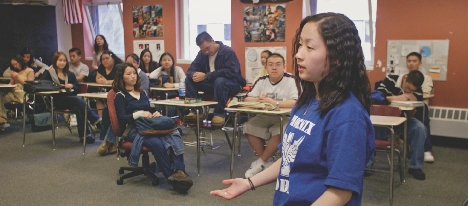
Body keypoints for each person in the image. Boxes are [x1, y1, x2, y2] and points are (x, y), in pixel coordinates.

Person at [210, 13, 375, 205]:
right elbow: (290, 158)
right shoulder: (306, 101)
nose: (298, 54)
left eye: (310, 47)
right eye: (300, 45)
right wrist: (249, 183)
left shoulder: (347, 116)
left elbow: (340, 192)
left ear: (337, 57)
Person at [112, 63, 193, 193]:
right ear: (122, 78)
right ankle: (172, 177)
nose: (133, 76)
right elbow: (122, 118)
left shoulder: (142, 92)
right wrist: (139, 114)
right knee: (156, 142)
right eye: (128, 74)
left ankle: (179, 170)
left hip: (149, 125)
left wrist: (156, 113)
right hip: (133, 129)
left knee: (174, 133)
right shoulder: (120, 96)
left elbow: (148, 109)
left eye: (134, 73)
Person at [243, 53, 298, 178]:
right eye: (271, 65)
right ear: (266, 67)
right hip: (265, 116)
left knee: (282, 130)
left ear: (284, 66)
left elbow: (295, 102)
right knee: (248, 126)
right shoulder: (262, 80)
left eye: (278, 65)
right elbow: (247, 99)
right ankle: (266, 163)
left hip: (286, 116)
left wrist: (275, 103)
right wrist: (259, 99)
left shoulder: (291, 80)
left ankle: (260, 162)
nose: (274, 68)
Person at [184, 31, 246, 126]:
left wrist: (206, 76)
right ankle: (196, 111)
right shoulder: (202, 54)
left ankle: (219, 114)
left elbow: (230, 72)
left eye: (207, 48)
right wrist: (194, 75)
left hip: (233, 83)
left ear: (213, 41)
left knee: (220, 81)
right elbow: (191, 70)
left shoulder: (228, 52)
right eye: (203, 50)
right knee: (189, 80)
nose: (206, 52)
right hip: (213, 84)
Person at [377, 70, 428, 180]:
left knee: (420, 128)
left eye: (411, 90)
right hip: (385, 118)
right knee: (371, 127)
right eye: (407, 87)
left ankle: (415, 166)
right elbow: (377, 96)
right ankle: (368, 163)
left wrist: (410, 101)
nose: (407, 91)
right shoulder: (390, 80)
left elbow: (417, 103)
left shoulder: (417, 89)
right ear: (405, 78)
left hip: (404, 118)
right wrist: (394, 98)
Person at [41, 51, 101, 143]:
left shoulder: (70, 74)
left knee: (79, 107)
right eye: (60, 60)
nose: (62, 63)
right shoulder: (48, 72)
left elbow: (76, 87)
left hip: (70, 99)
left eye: (64, 60)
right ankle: (95, 120)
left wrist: (72, 86)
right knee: (78, 101)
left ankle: (85, 136)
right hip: (56, 100)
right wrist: (60, 86)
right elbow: (44, 86)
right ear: (55, 61)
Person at [396, 52, 434, 163]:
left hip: (419, 105)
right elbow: (399, 92)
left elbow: (424, 93)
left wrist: (410, 95)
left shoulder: (426, 78)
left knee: (422, 120)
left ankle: (426, 149)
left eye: (414, 61)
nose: (411, 63)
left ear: (420, 63)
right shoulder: (403, 76)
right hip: (402, 105)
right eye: (409, 61)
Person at [0, 55, 34, 130]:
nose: (15, 66)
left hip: (23, 92)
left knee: (17, 88)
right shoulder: (15, 72)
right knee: (1, 96)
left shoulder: (29, 71)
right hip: (13, 93)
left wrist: (17, 78)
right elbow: (11, 85)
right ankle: (2, 120)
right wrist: (13, 78)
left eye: (16, 64)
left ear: (20, 61)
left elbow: (30, 86)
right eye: (13, 65)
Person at [149, 52, 186, 116]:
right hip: (164, 97)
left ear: (172, 62)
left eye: (169, 60)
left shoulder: (178, 70)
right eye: (164, 60)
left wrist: (173, 85)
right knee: (158, 105)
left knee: (169, 108)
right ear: (160, 62)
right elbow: (151, 76)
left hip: (178, 96)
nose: (167, 62)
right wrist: (160, 67)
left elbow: (184, 82)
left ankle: (172, 121)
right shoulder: (161, 71)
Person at [95, 50, 123, 117]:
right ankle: (101, 120)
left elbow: (119, 81)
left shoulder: (118, 67)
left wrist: (106, 82)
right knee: (98, 100)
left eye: (107, 58)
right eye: (103, 59)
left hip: (117, 91)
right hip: (105, 91)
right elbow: (97, 78)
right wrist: (102, 81)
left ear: (113, 59)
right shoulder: (101, 67)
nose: (105, 61)